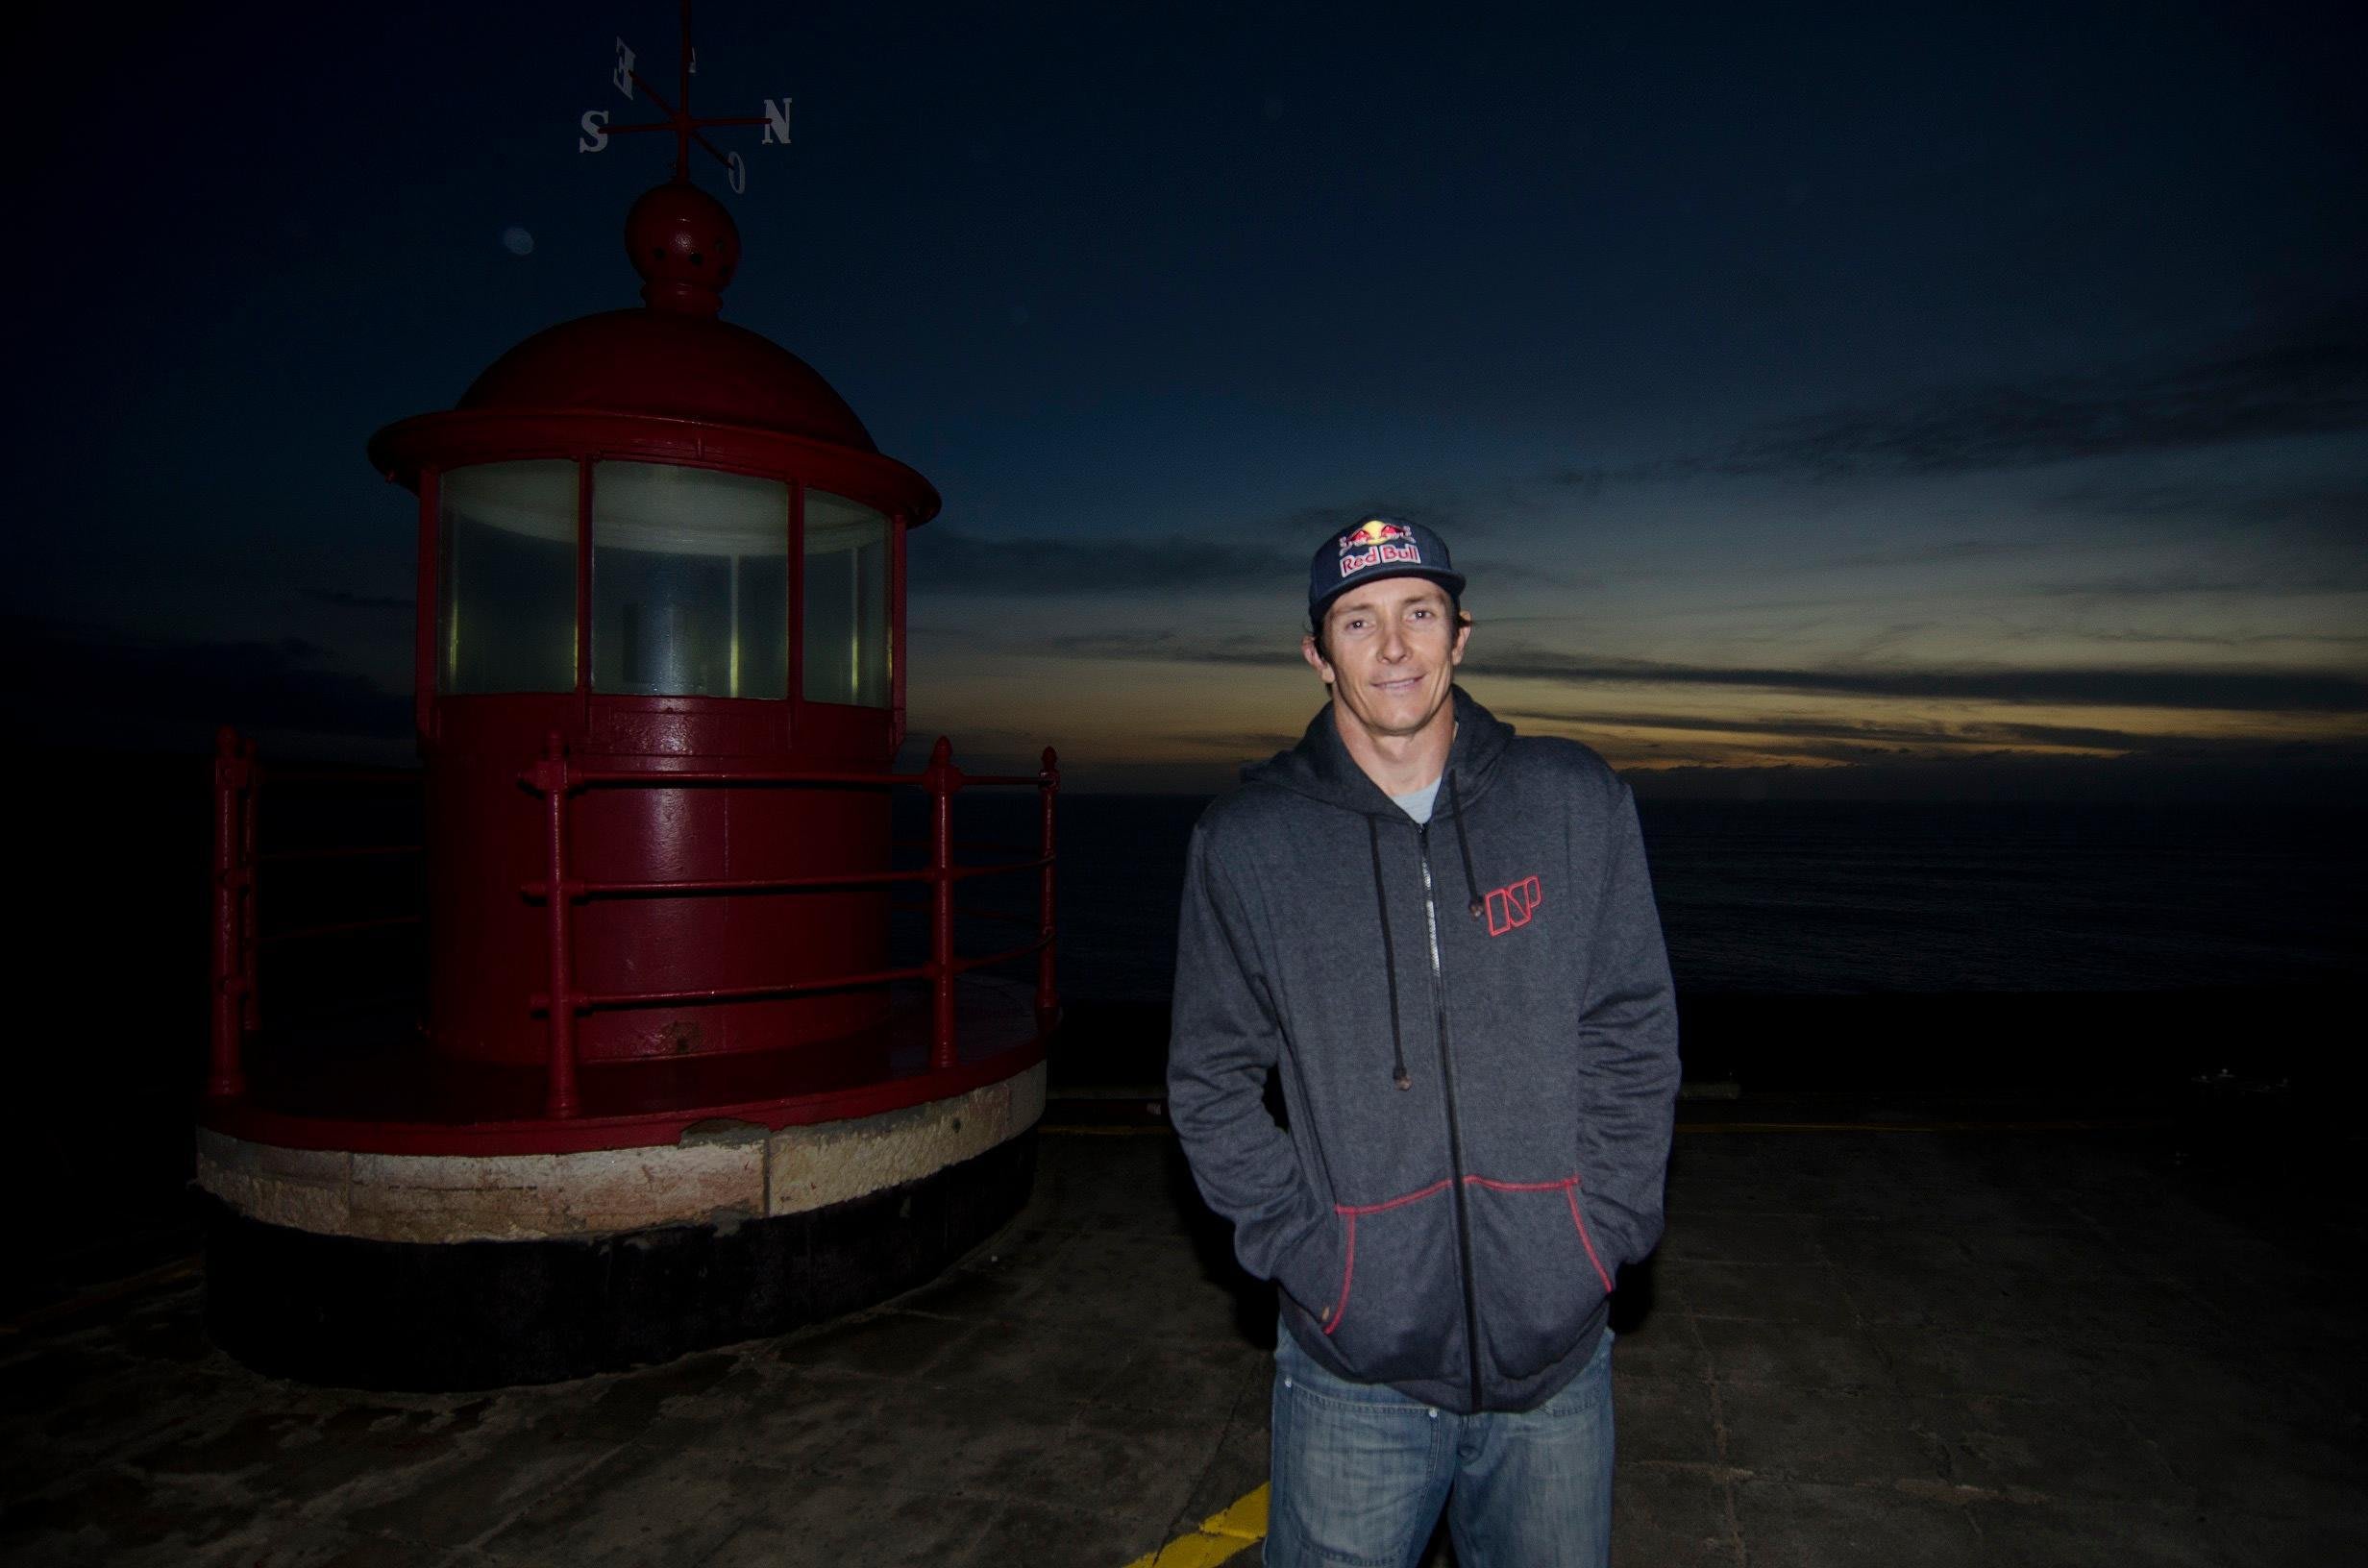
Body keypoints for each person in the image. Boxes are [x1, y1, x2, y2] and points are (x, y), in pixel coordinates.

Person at [1167, 517, 1680, 1568]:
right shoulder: (1248, 843)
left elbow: (1631, 1025)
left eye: (1420, 613)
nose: (1394, 647)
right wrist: (1318, 1261)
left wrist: (1599, 1233)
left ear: (1461, 635)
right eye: (1358, 621)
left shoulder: (1573, 801)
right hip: (1353, 1371)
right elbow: (1209, 1081)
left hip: (1554, 1361)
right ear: (1317, 655)